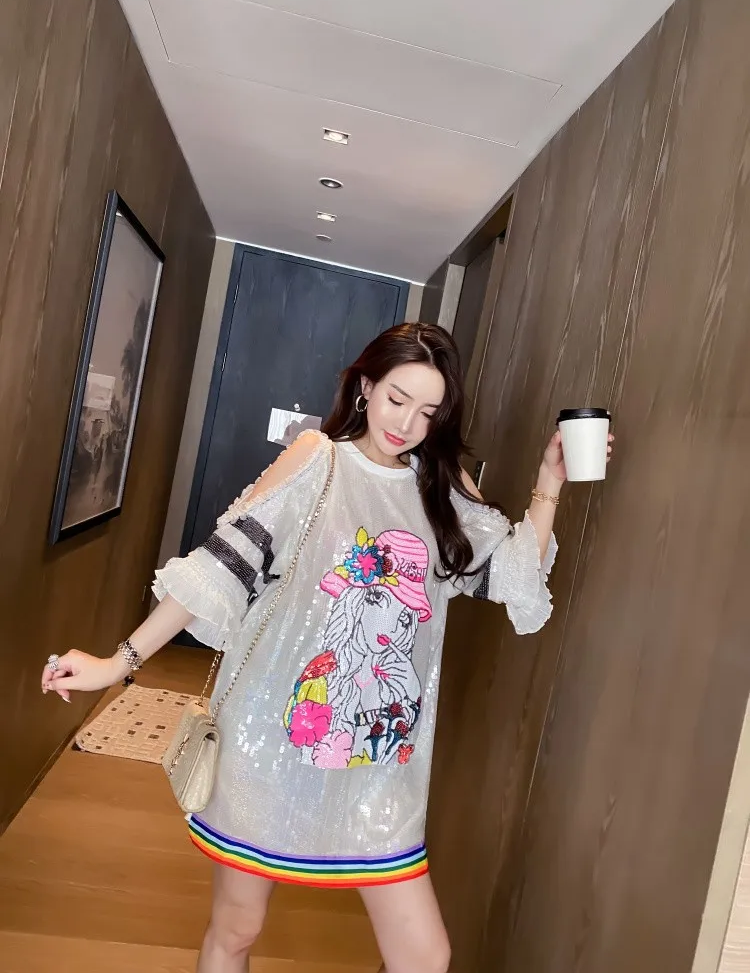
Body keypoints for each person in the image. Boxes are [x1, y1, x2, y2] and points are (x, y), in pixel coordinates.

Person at [41, 323, 613, 973]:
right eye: (397, 398)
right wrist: (117, 663)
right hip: (270, 744)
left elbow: (511, 578)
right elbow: (220, 569)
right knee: (236, 930)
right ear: (366, 386)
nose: (407, 424)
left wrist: (549, 483)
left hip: (381, 764)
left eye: (428, 411)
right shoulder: (317, 460)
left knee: (425, 955)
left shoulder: (440, 486)